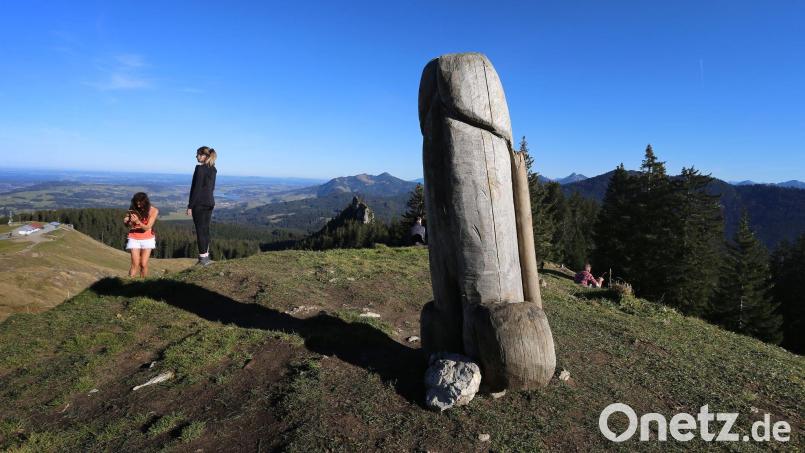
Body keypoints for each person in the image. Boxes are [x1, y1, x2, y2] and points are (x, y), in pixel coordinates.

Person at [186, 146, 217, 265]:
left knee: (200, 231)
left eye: (198, 154)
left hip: (199, 203)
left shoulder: (200, 169)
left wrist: (190, 206)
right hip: (210, 202)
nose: (196, 156)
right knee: (205, 230)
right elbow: (212, 188)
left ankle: (202, 259)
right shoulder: (213, 169)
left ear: (204, 156)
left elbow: (196, 189)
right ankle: (206, 256)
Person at [124, 192, 159, 278]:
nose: (138, 206)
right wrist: (127, 221)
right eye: (137, 203)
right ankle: (129, 284)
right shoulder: (133, 209)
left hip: (147, 239)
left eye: (140, 203)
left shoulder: (154, 210)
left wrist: (138, 222)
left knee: (143, 264)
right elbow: (127, 224)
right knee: (134, 264)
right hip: (134, 238)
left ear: (145, 202)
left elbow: (147, 227)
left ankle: (143, 284)